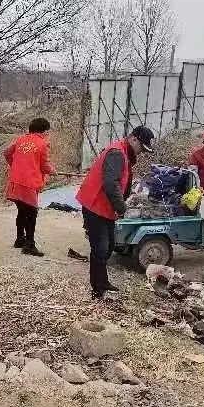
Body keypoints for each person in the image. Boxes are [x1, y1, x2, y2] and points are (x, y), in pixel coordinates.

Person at [76, 126, 155, 298]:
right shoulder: (117, 153)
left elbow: (119, 181)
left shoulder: (124, 153)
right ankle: (98, 289)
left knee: (110, 245)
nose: (141, 152)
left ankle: (102, 281)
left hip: (105, 207)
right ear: (134, 139)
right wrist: (122, 208)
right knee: (100, 248)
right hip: (95, 205)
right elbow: (110, 184)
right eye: (142, 147)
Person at [4, 117, 56, 256]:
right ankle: (29, 245)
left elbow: (7, 153)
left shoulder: (20, 140)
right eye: (48, 131)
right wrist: (53, 171)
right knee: (32, 214)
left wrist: (15, 165)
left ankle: (20, 239)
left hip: (15, 182)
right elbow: (45, 166)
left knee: (21, 211)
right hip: (28, 184)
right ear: (44, 131)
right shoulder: (43, 144)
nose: (48, 134)